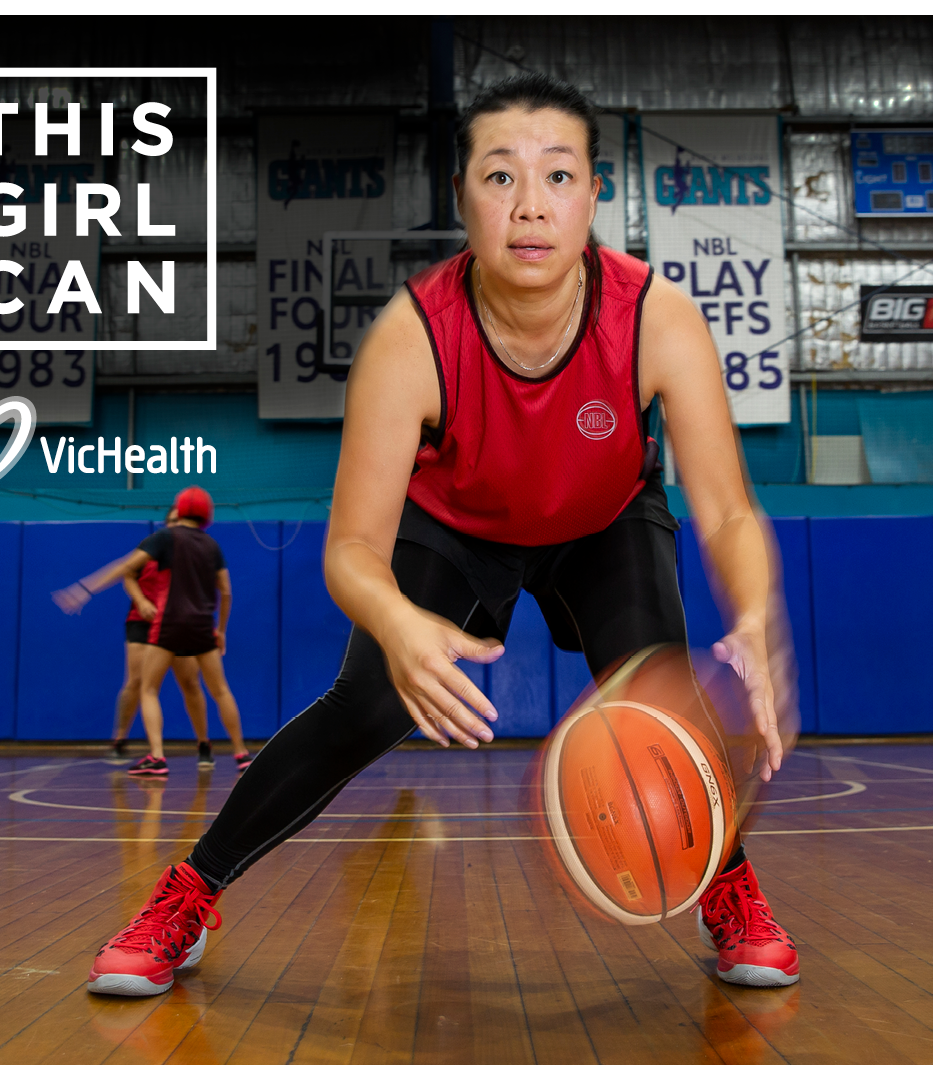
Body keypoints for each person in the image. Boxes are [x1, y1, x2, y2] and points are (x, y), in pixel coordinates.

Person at [86, 73, 800, 999]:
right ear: (462, 196)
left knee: (659, 686)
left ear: (593, 194)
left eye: (558, 176)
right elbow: (350, 551)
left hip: (602, 519)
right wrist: (396, 618)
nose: (531, 206)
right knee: (369, 702)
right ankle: (183, 898)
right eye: (500, 178)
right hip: (457, 524)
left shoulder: (657, 321)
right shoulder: (411, 339)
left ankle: (732, 895)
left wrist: (753, 615)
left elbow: (731, 511)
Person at [53, 487, 252, 778]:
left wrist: (84, 589)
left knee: (148, 688)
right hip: (201, 626)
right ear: (207, 514)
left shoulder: (165, 537)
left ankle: (157, 757)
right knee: (220, 690)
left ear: (179, 510)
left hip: (168, 623)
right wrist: (220, 629)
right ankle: (241, 754)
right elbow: (227, 591)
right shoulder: (212, 545)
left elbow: (125, 567)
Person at [110, 508, 217, 771]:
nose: (177, 526)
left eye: (180, 521)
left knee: (190, 682)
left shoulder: (193, 553)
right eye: (172, 521)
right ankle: (122, 736)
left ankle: (204, 743)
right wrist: (142, 601)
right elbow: (127, 575)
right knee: (136, 682)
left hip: (176, 624)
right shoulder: (151, 547)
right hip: (142, 622)